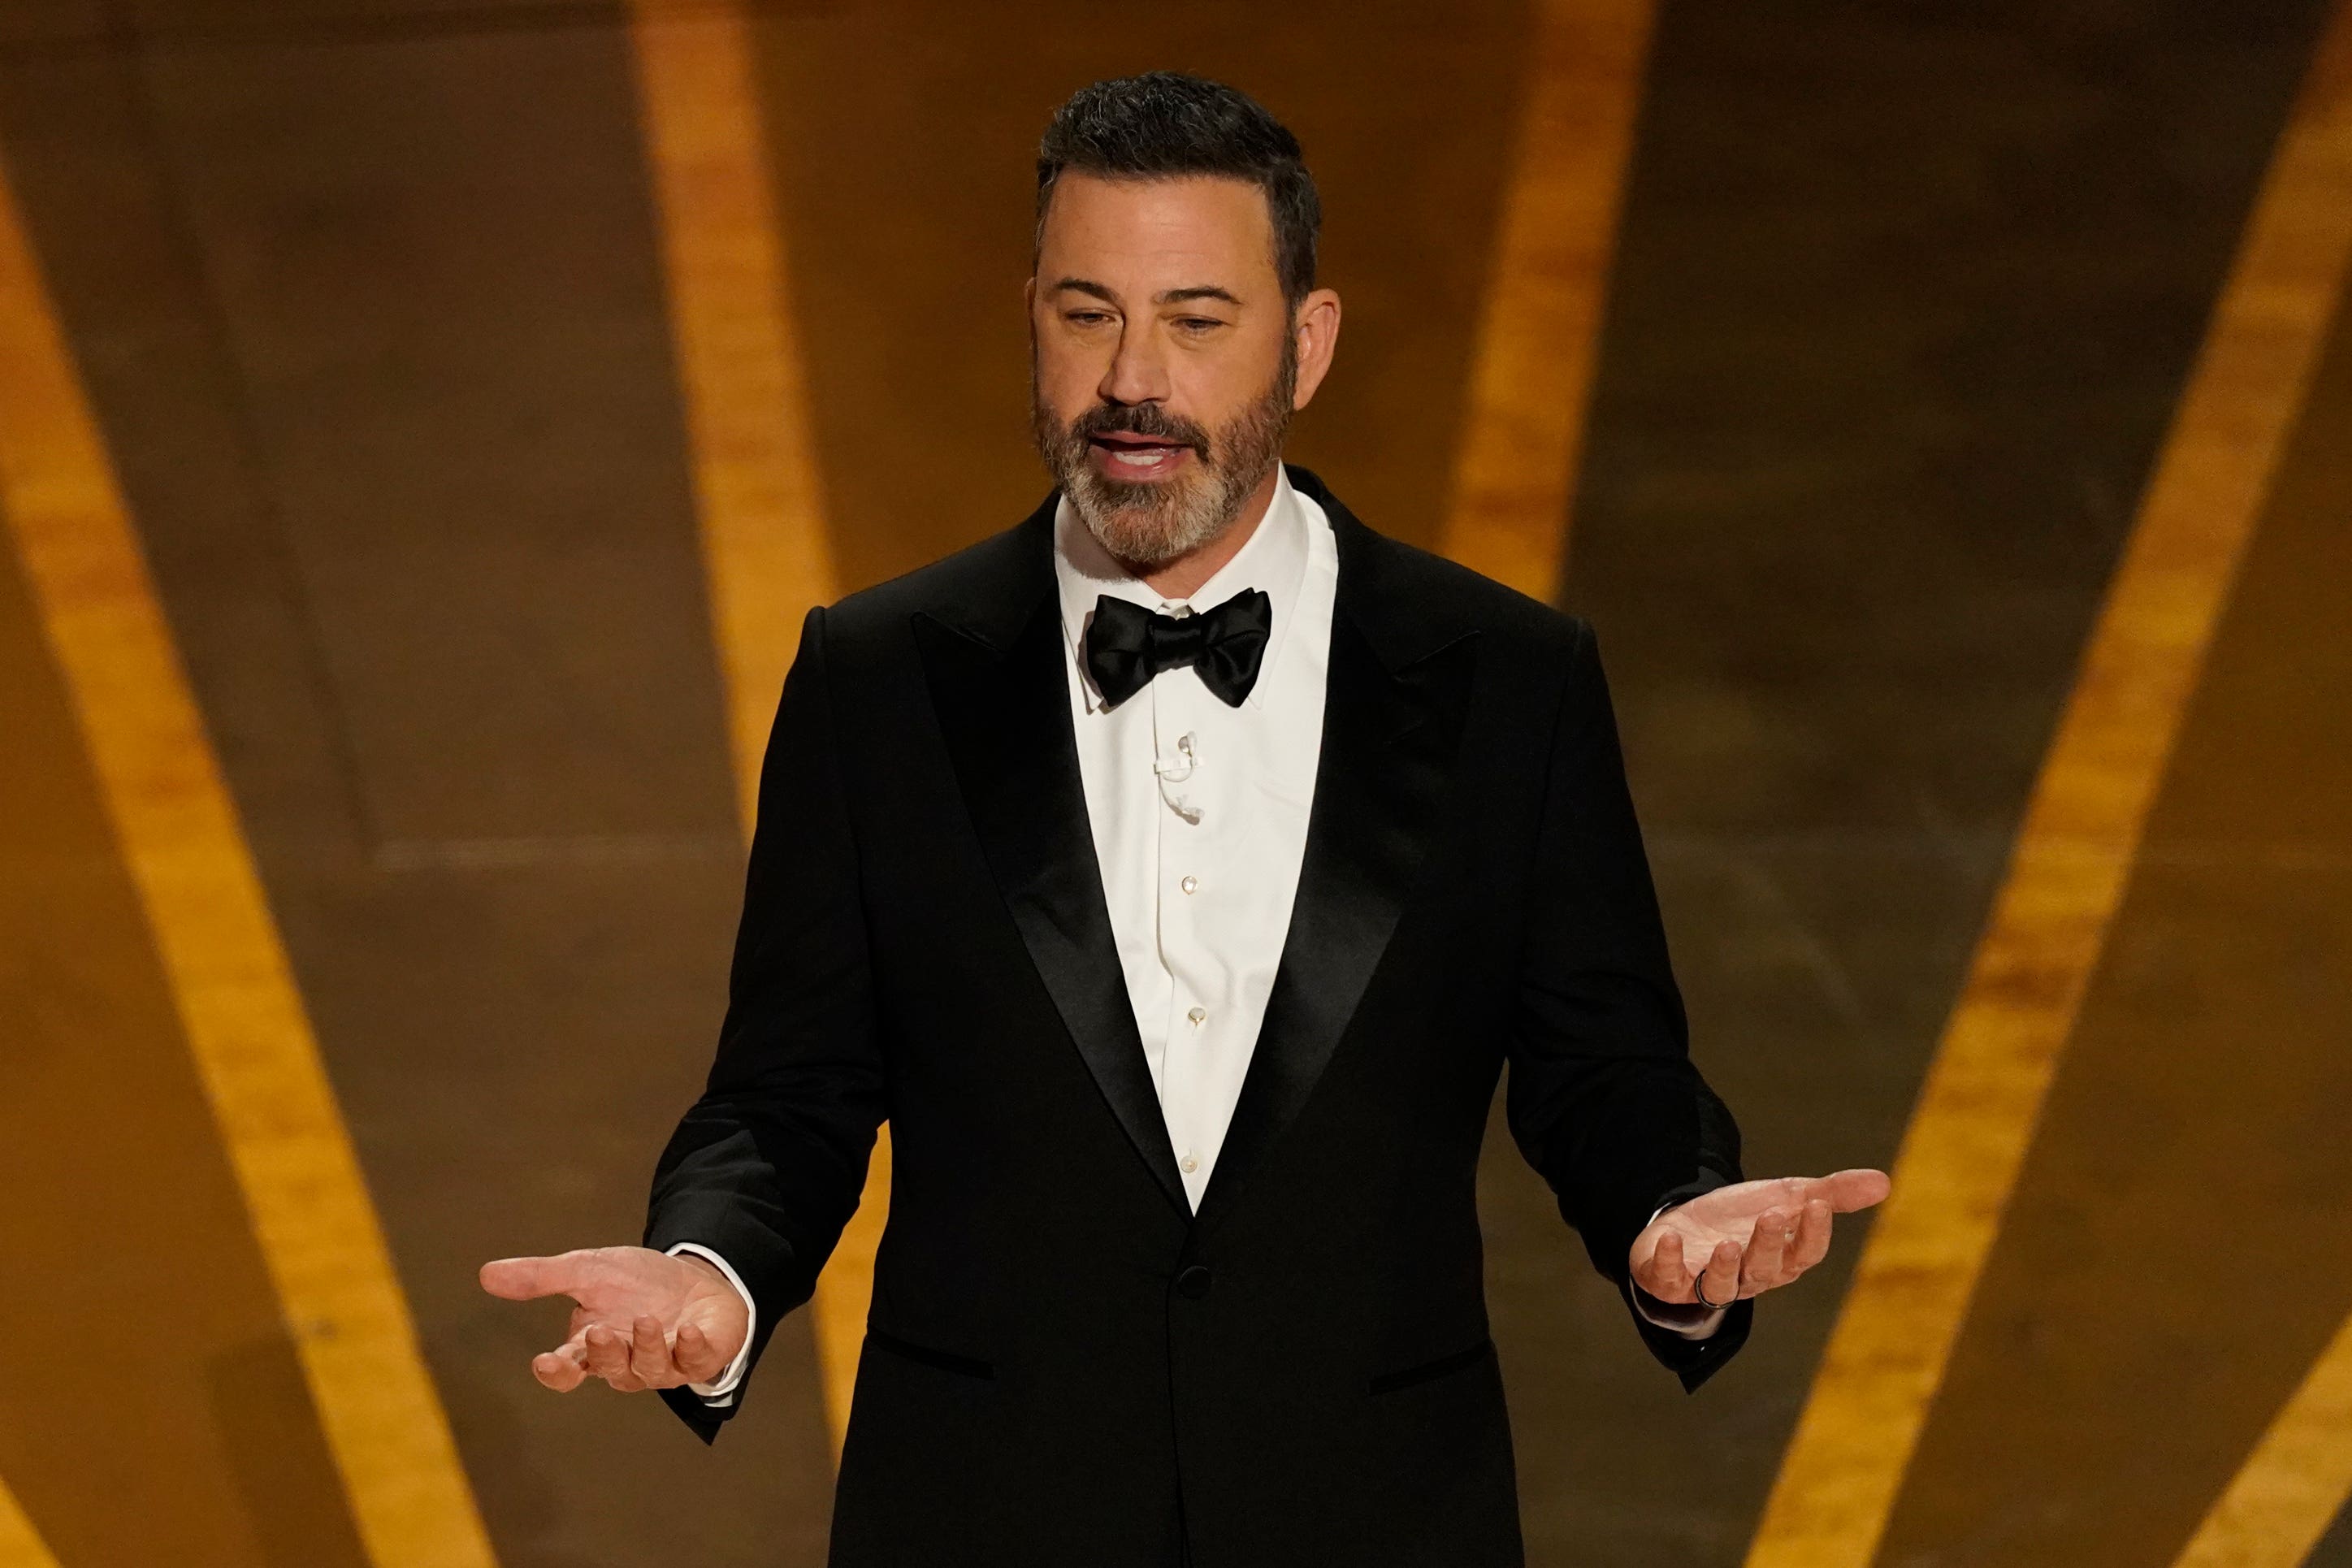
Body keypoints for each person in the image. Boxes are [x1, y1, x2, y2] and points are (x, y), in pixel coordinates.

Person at [480, 71, 1889, 1566]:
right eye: (1087, 314)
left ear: (1309, 340)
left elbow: (1601, 1066)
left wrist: (1674, 1219)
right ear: (1031, 315)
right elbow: (790, 1091)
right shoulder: (878, 678)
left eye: (1196, 321)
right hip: (981, 1518)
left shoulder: (1508, 681)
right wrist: (715, 1273)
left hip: (1376, 1518)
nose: (1131, 380)